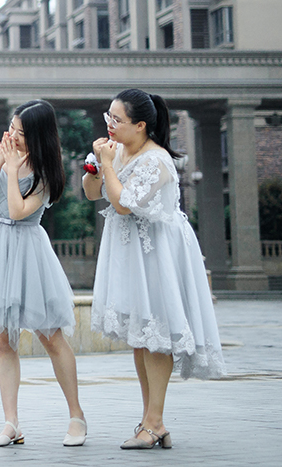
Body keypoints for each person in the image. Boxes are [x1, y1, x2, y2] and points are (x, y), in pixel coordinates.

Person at [84, 89, 225, 450]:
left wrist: (108, 164)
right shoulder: (118, 150)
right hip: (131, 253)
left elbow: (124, 203)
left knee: (157, 334)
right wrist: (97, 165)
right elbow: (92, 192)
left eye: (118, 119)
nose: (110, 125)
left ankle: (155, 422)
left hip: (158, 253)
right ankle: (151, 420)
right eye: (109, 117)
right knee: (140, 335)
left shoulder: (157, 160)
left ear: (141, 125)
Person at [0, 100, 86, 448]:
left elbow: (17, 211)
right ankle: (11, 423)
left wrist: (13, 171)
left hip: (29, 253)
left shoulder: (46, 173)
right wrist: (0, 163)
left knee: (51, 337)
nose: (12, 135)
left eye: (21, 132)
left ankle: (77, 416)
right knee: (2, 340)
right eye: (12, 128)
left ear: (38, 136)